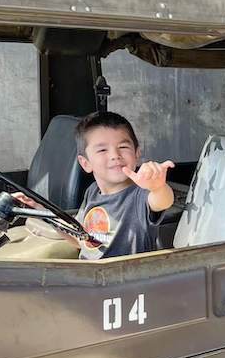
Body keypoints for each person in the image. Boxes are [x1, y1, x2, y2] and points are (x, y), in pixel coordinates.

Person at [17, 111, 175, 259]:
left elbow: (162, 201)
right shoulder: (92, 192)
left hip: (124, 284)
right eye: (102, 150)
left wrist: (158, 187)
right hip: (91, 279)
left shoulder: (140, 195)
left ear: (137, 153)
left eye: (123, 147)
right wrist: (40, 210)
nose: (115, 155)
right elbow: (80, 238)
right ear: (85, 163)